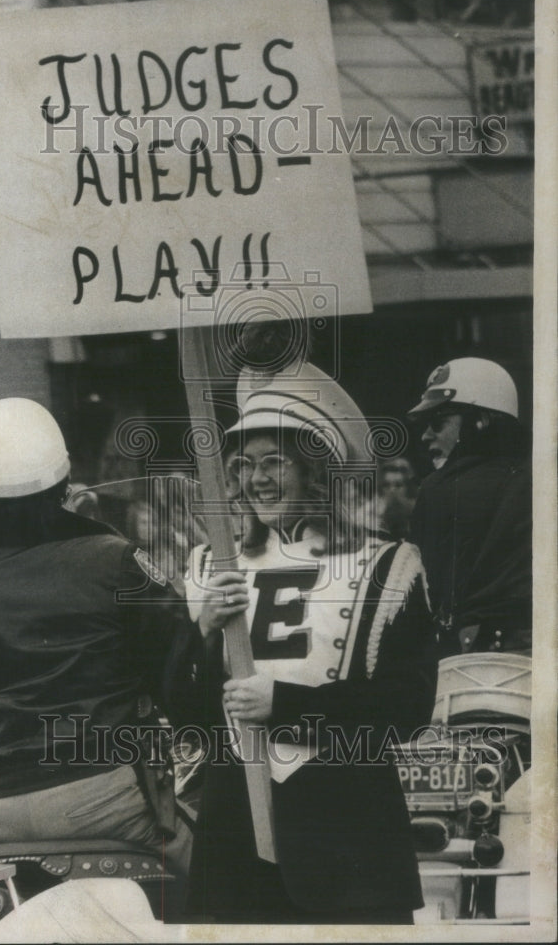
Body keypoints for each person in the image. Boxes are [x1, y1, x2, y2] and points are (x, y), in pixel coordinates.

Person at [183, 360, 439, 925]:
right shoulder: (209, 567)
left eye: (276, 461)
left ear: (316, 470)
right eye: (245, 464)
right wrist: (201, 632)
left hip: (348, 836)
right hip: (236, 846)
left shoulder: (388, 565)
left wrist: (286, 707)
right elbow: (182, 712)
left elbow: (407, 710)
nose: (258, 479)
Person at [0, 398, 195, 875]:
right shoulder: (115, 561)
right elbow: (185, 683)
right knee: (220, 877)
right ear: (66, 483)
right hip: (101, 802)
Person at [406, 357, 532, 656]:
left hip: (472, 660)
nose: (425, 436)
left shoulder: (437, 489)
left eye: (438, 423)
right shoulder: (542, 478)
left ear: (480, 421)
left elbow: (422, 594)